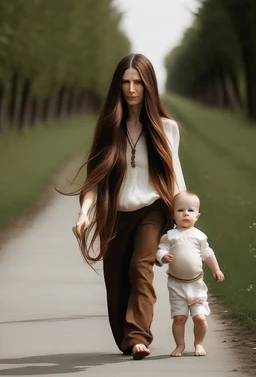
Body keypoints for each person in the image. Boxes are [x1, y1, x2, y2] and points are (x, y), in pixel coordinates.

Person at [73, 53, 186, 360]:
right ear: (118, 85)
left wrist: (184, 223)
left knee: (141, 268)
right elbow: (94, 180)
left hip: (152, 210)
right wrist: (85, 214)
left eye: (138, 82)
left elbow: (175, 177)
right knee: (117, 280)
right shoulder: (110, 128)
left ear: (148, 85)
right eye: (125, 82)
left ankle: (138, 336)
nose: (132, 88)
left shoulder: (166, 128)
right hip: (116, 213)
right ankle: (126, 338)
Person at [156, 190, 225, 357]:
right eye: (180, 210)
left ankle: (198, 343)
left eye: (190, 210)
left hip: (196, 285)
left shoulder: (199, 236)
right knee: (179, 318)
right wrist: (163, 256)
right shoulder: (170, 236)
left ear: (197, 216)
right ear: (173, 215)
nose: (185, 213)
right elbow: (160, 249)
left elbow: (207, 253)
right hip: (176, 285)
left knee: (199, 318)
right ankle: (179, 345)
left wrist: (216, 269)